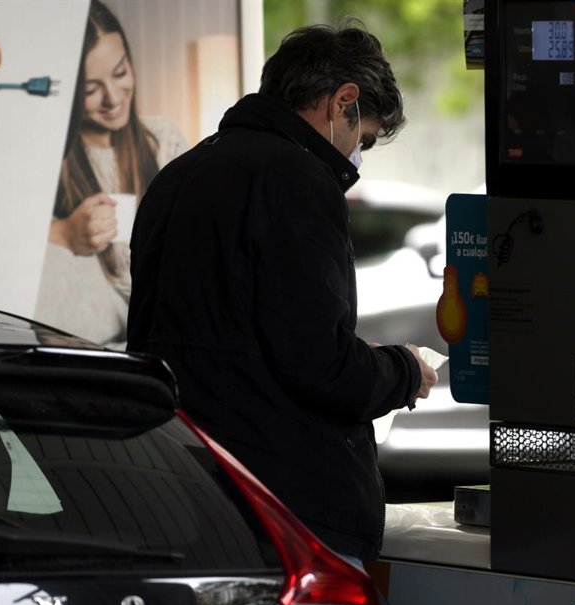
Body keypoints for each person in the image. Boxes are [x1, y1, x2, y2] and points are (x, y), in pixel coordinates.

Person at [127, 22, 438, 566]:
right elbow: (319, 364)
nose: (357, 156)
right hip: (280, 508)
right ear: (343, 101)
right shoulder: (299, 179)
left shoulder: (177, 175)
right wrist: (404, 371)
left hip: (180, 486)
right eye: (363, 139)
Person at [35, 0, 188, 347]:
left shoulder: (162, 140)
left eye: (120, 73)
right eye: (91, 89)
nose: (113, 98)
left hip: (161, 321)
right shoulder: (50, 157)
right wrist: (63, 233)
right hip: (87, 333)